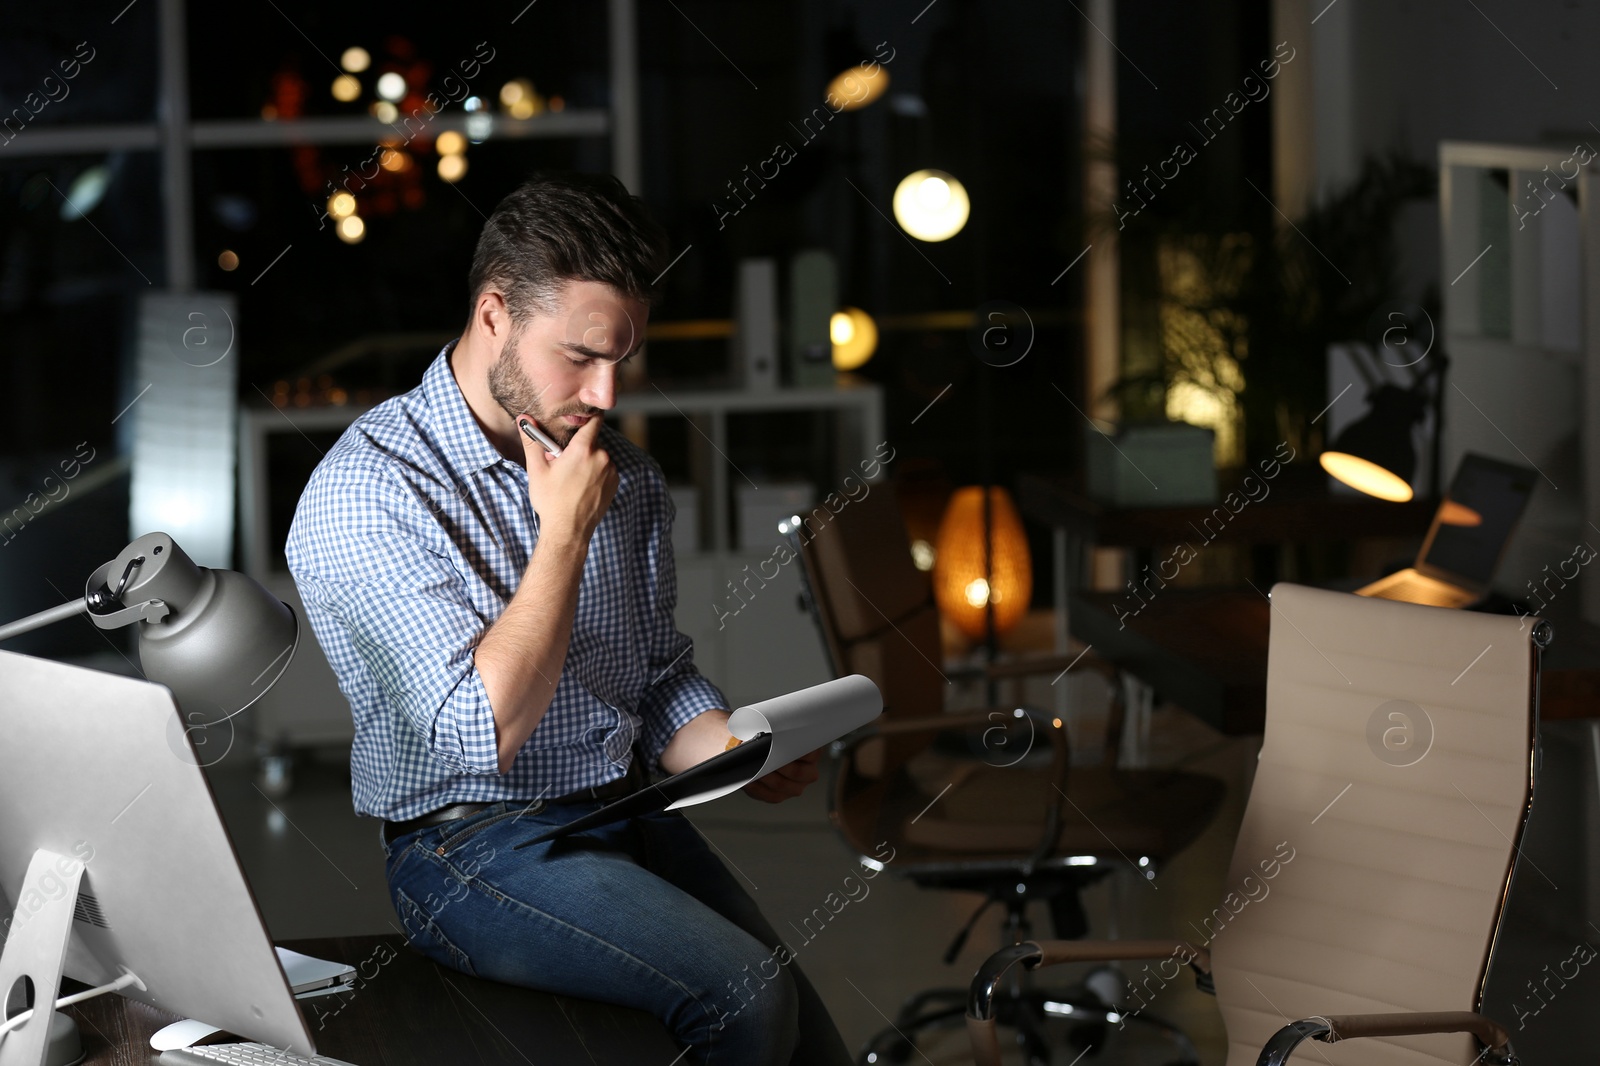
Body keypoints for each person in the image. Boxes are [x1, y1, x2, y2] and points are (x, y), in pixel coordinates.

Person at [286, 171, 854, 1066]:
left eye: (623, 359)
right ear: (493, 316)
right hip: (468, 847)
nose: (607, 394)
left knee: (818, 1053)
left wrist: (734, 753)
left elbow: (656, 676)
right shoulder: (369, 491)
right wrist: (561, 538)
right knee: (747, 1001)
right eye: (582, 356)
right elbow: (481, 732)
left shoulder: (623, 476)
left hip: (627, 807)